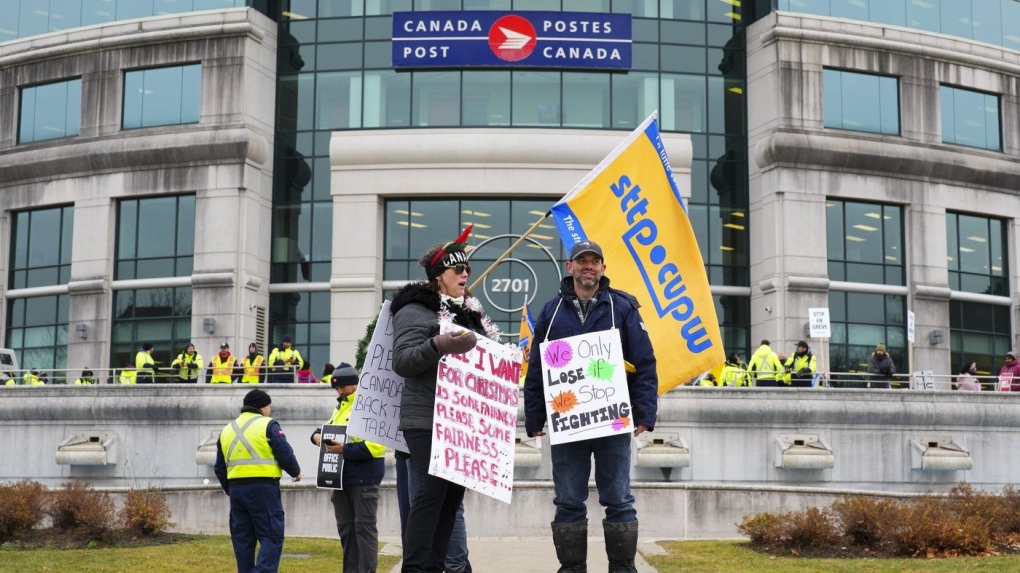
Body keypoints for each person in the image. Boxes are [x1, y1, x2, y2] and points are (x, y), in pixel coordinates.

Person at [524, 240, 658, 573]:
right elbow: (537, 369)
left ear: (603, 268)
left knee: (619, 500)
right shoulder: (550, 311)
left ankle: (623, 569)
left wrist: (644, 414)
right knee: (568, 501)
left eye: (595, 261)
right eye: (582, 260)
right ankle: (572, 569)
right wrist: (534, 416)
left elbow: (645, 363)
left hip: (612, 422)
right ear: (569, 267)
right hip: (568, 424)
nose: (588, 266)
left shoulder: (622, 308)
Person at [391, 225, 499, 573]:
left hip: (461, 421)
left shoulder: (469, 315)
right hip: (426, 419)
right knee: (431, 494)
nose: (465, 273)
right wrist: (438, 344)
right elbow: (404, 361)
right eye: (458, 269)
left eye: (467, 269)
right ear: (439, 276)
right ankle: (417, 567)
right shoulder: (415, 310)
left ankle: (435, 565)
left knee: (451, 500)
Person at [214, 389, 302, 573]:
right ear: (263, 407)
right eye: (268, 406)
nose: (270, 409)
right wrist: (295, 471)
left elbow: (219, 468)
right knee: (271, 536)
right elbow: (284, 452)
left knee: (243, 540)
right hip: (263, 489)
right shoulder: (268, 424)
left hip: (237, 491)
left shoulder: (227, 429)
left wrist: (232, 490)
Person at [310, 363, 385, 573]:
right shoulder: (341, 405)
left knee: (365, 530)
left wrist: (345, 450)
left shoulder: (369, 404)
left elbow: (376, 446)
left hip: (364, 478)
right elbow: (329, 427)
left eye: (343, 387)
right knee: (347, 531)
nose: (340, 392)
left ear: (354, 383)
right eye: (337, 389)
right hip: (341, 478)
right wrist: (316, 436)